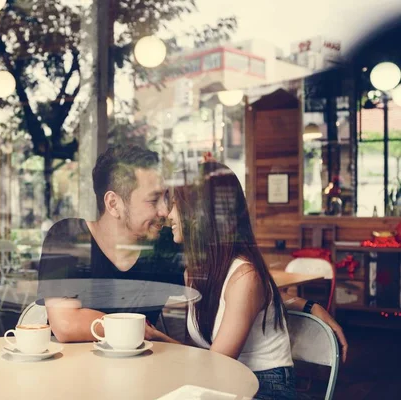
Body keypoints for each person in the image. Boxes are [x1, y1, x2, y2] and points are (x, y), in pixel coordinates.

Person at [166, 161, 348, 399]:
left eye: (175, 205)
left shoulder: (245, 276)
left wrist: (164, 342)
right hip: (223, 380)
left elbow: (215, 363)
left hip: (265, 387)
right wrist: (306, 304)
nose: (168, 214)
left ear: (199, 214)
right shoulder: (195, 272)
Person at [37, 145, 182, 343]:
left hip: (143, 370)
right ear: (114, 204)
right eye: (154, 199)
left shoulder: (166, 244)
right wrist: (143, 330)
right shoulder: (68, 237)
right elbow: (66, 324)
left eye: (166, 198)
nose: (164, 211)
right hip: (73, 370)